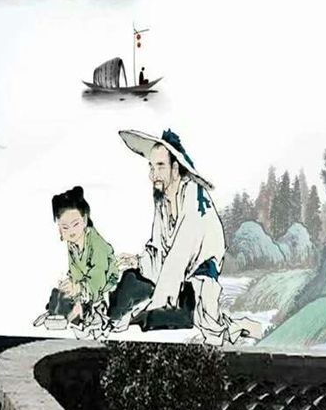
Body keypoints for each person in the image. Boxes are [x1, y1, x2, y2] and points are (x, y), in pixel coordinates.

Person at [112, 128, 263, 345]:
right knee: (130, 279)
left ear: (175, 168)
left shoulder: (193, 195)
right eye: (151, 167)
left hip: (198, 283)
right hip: (174, 280)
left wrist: (156, 301)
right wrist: (138, 262)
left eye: (160, 166)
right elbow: (158, 250)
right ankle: (110, 321)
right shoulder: (162, 200)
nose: (154, 174)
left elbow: (180, 254)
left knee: (153, 317)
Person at [35, 186, 119, 332]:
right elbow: (75, 271)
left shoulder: (96, 243)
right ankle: (54, 313)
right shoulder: (72, 244)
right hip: (83, 284)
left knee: (83, 306)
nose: (71, 231)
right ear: (59, 228)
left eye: (75, 224)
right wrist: (71, 285)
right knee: (59, 293)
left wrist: (78, 288)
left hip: (104, 283)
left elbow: (98, 274)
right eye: (65, 227)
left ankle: (84, 316)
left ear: (84, 220)